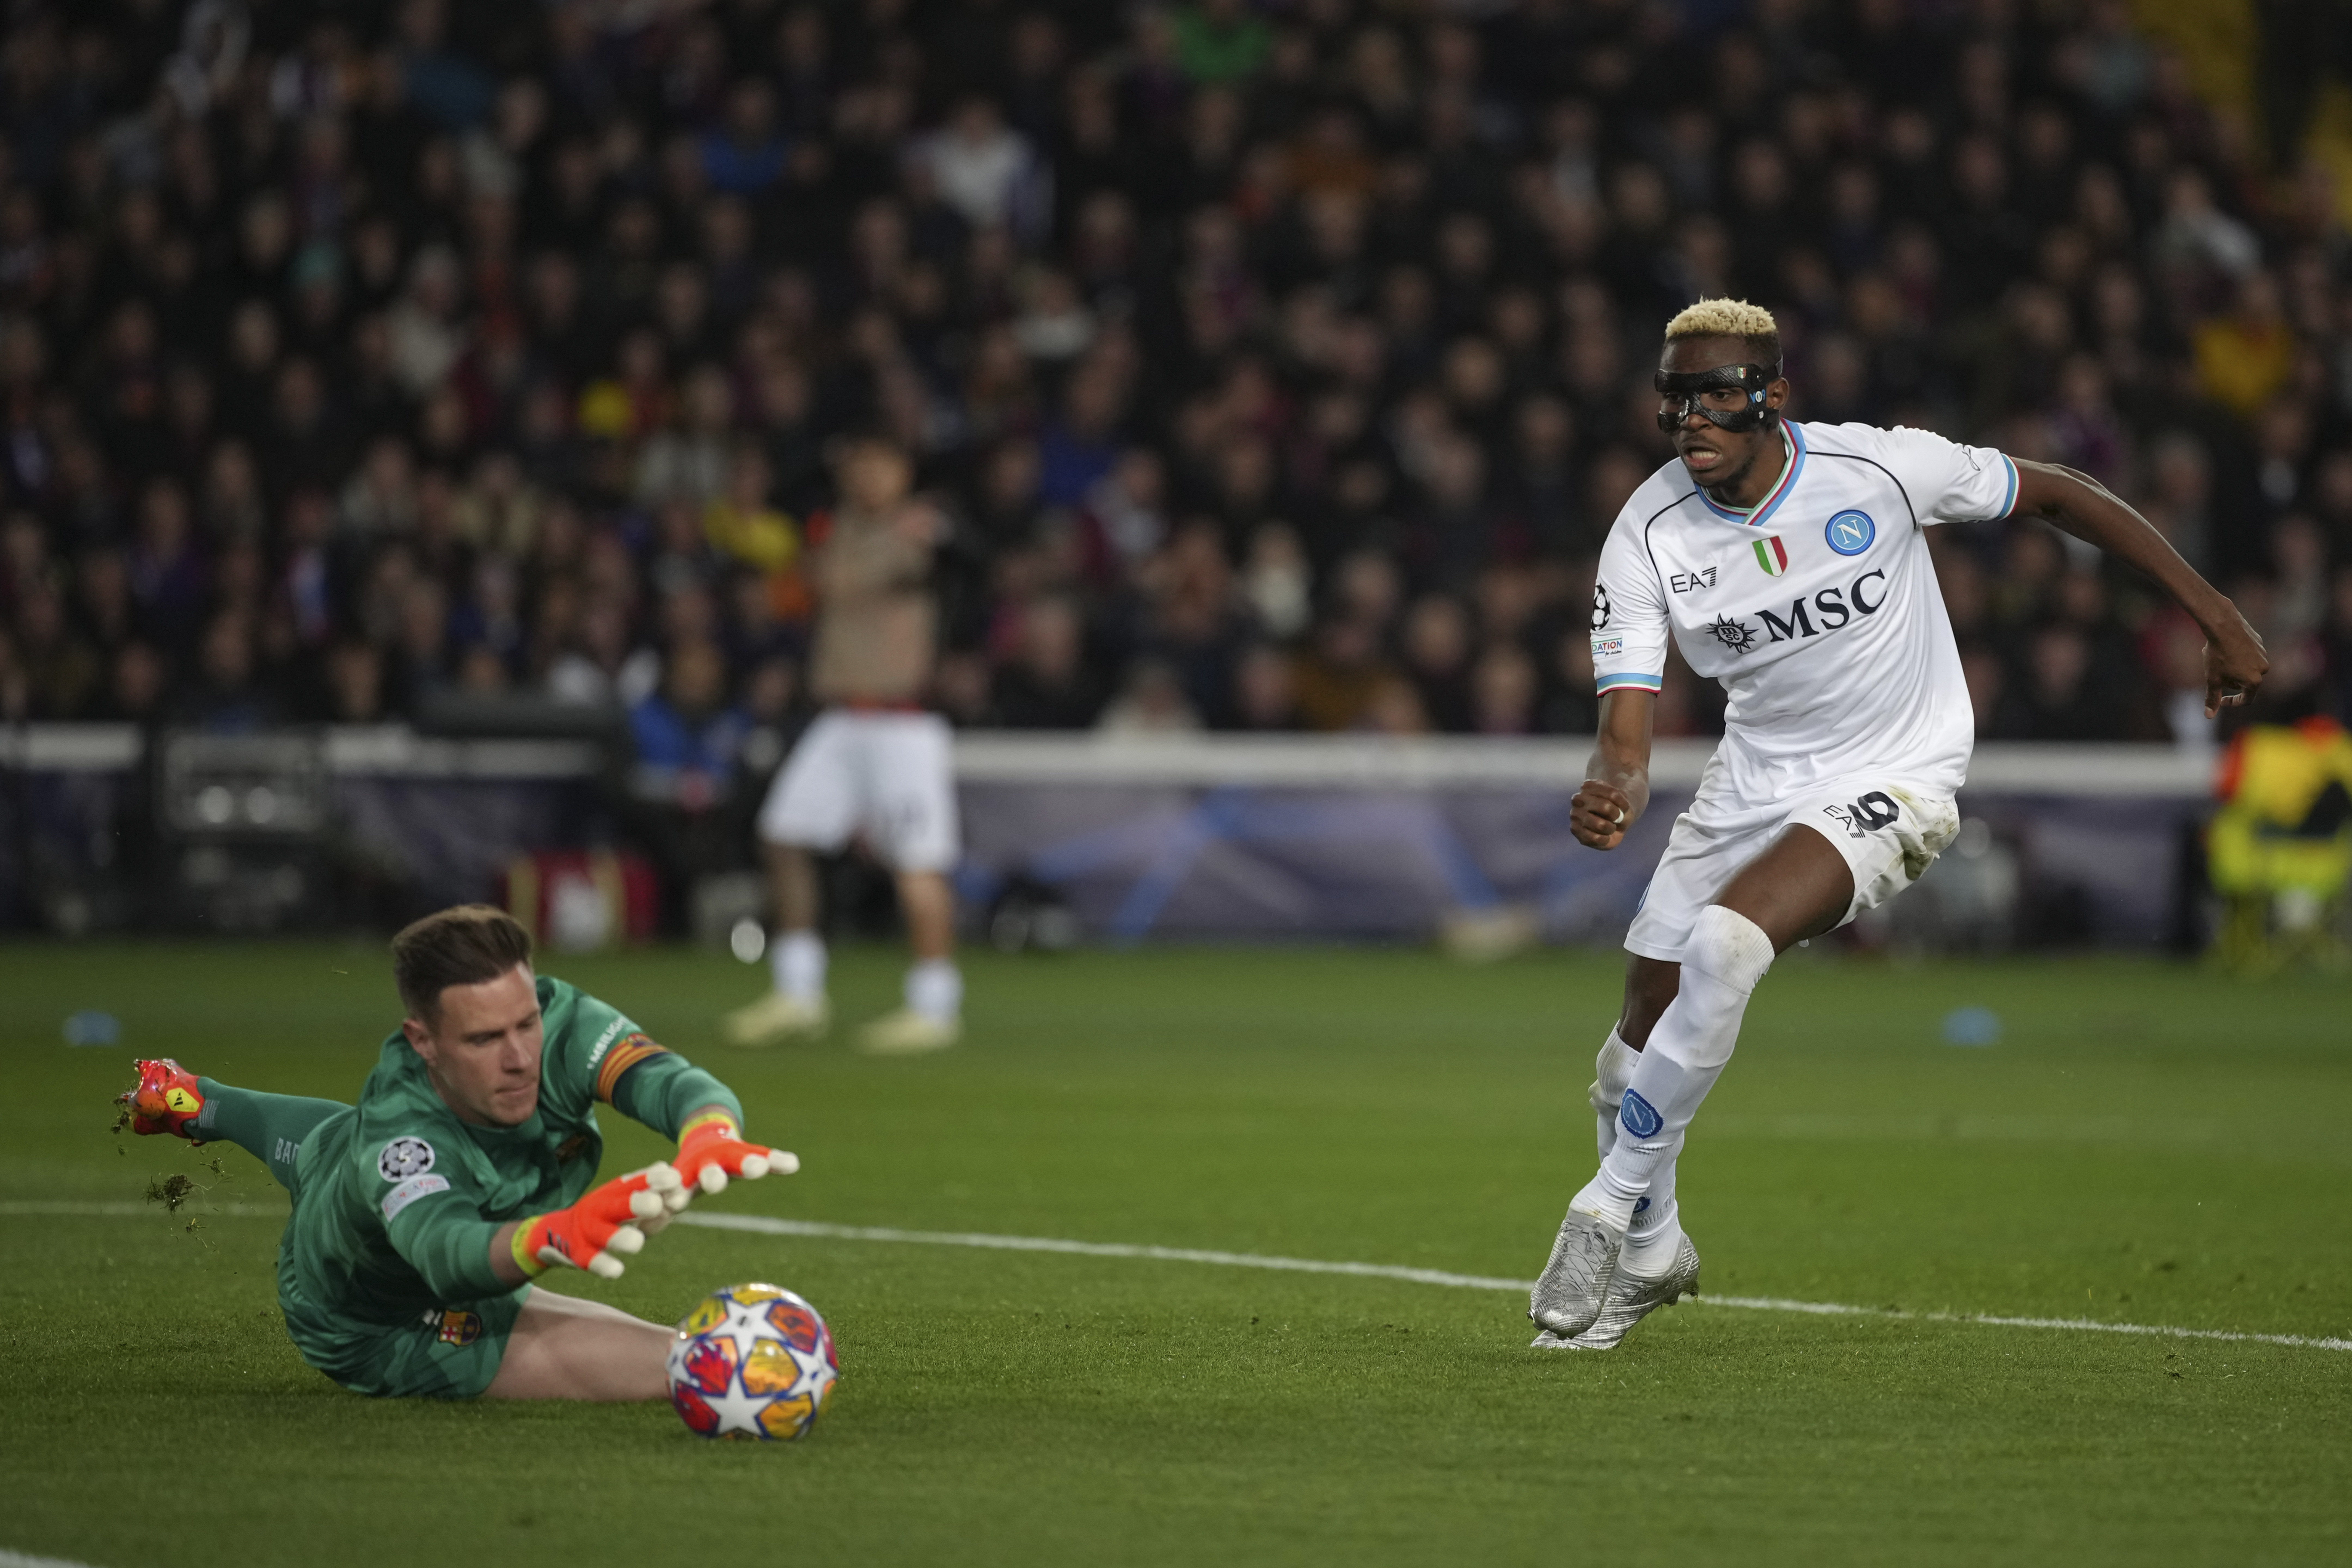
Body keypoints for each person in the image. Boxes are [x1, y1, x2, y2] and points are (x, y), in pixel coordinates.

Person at [1530, 299, 2270, 1350]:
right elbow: (1627, 730)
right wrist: (1618, 785)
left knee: (1728, 944)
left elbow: (2059, 493)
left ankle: (1607, 1207)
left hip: (1900, 773)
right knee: (1623, 1060)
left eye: (1715, 395)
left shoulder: (1879, 469)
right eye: (1674, 399)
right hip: (1752, 782)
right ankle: (1652, 1253)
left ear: (1771, 397)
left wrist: (2217, 613)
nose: (1692, 417)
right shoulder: (1646, 535)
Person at [114, 905, 794, 1399]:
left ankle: (190, 1098)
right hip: (375, 1313)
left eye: (527, 1022)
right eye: (485, 1040)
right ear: (424, 1042)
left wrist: (709, 1130)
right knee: (697, 1368)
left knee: (312, 1140)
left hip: (339, 1154)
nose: (521, 1056)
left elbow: (667, 1081)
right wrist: (550, 1237)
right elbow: (447, 1255)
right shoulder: (401, 1138)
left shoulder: (554, 1021)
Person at [722, 435, 966, 1053]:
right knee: (784, 835)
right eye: (858, 465)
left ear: (904, 470)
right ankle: (800, 992)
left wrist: (922, 537)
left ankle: (934, 1006)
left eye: (879, 464)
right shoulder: (839, 531)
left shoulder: (919, 529)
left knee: (916, 863)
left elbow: (951, 559)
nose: (866, 477)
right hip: (840, 717)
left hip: (901, 721)